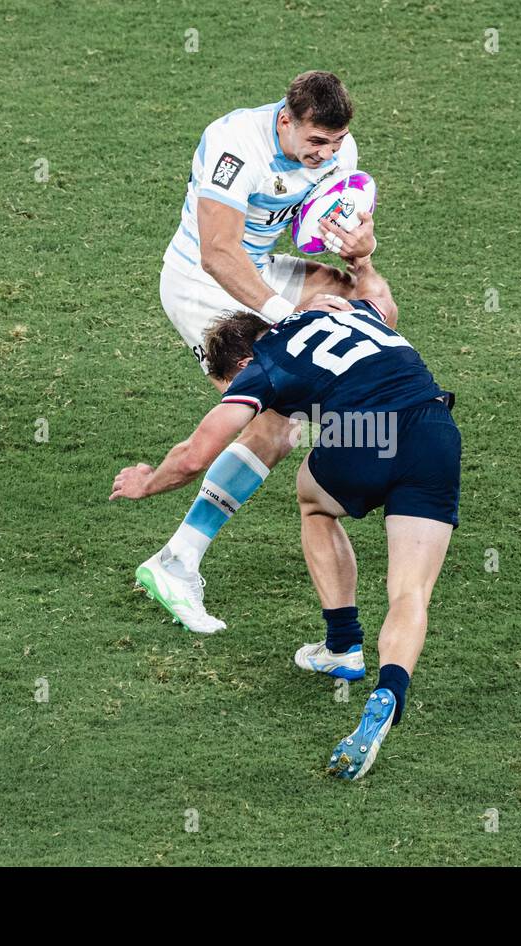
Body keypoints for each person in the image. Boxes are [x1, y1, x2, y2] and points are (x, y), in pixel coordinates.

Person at [111, 255, 460, 781]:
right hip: (435, 429)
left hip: (367, 436)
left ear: (235, 364)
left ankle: (343, 644)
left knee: (314, 499)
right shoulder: (350, 311)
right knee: (410, 593)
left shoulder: (264, 363)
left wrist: (147, 483)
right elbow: (385, 301)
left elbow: (196, 454)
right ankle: (389, 689)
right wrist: (362, 258)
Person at [145, 71, 377, 633]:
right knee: (274, 422)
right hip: (202, 284)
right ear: (286, 121)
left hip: (265, 269)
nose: (327, 155)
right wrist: (286, 317)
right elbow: (219, 255)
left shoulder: (338, 150)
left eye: (335, 143)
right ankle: (177, 562)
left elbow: (319, 231)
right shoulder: (235, 143)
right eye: (316, 142)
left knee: (367, 306)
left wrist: (360, 249)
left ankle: (373, 424)